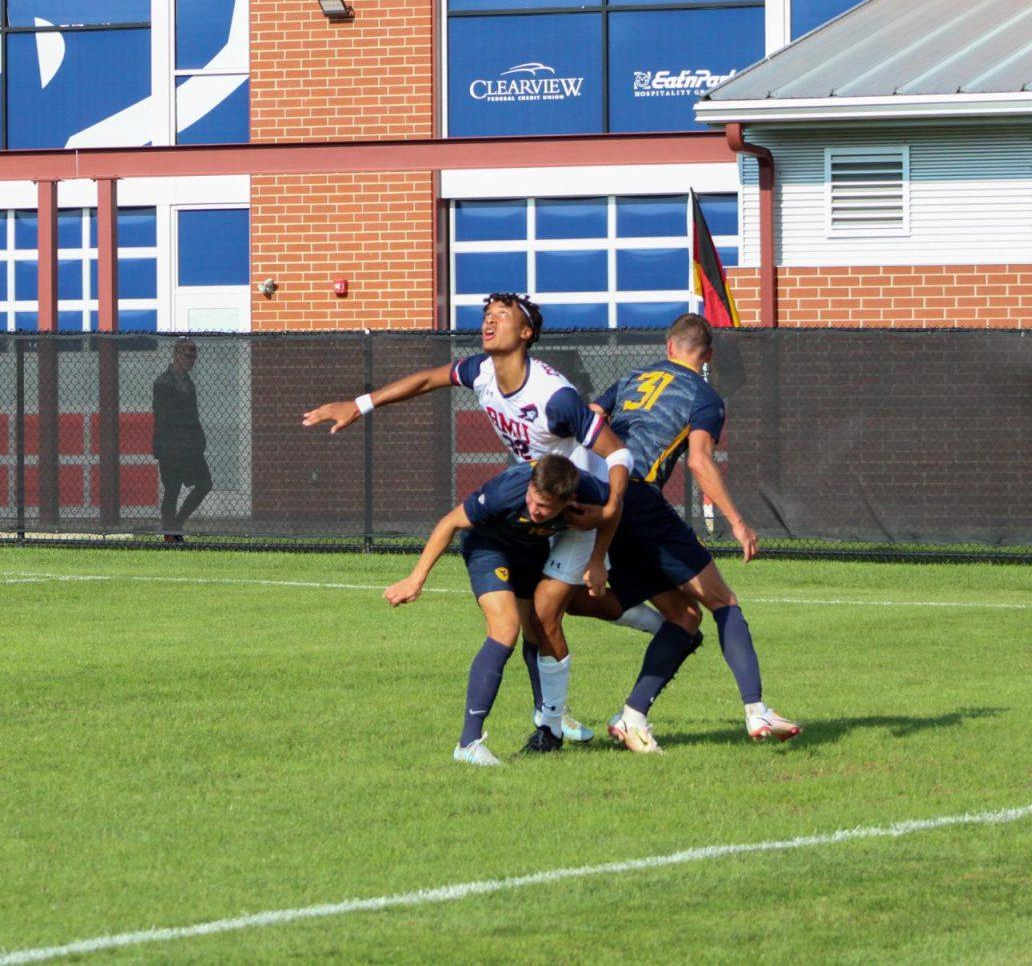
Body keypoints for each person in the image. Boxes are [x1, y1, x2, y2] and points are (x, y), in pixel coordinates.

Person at [302, 292, 656, 750]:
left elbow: (619, 453)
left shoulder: (556, 398)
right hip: (532, 499)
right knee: (536, 616)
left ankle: (570, 704)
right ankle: (553, 714)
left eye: (501, 317)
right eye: (486, 316)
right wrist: (360, 404)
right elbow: (429, 380)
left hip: (579, 507)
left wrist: (607, 516)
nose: (488, 322)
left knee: (547, 612)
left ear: (526, 333)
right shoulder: (482, 372)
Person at [592, 313, 801, 752]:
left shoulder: (632, 377)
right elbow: (700, 461)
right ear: (707, 356)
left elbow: (591, 417)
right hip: (639, 501)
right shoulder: (704, 396)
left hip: (602, 499)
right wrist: (738, 523)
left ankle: (631, 717)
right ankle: (756, 710)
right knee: (723, 600)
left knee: (685, 618)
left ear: (669, 347)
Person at [383, 455, 607, 766]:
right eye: (533, 499)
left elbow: (614, 510)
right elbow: (450, 522)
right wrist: (415, 579)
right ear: (529, 485)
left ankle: (547, 714)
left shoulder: (590, 490)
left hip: (530, 553)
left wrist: (598, 556)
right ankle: (468, 743)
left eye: (545, 507)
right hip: (489, 548)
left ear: (569, 499)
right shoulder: (507, 490)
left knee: (537, 628)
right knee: (506, 627)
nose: (535, 509)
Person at [152, 337, 212, 544]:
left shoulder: (188, 383)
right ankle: (171, 534)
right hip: (171, 447)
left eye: (194, 356)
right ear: (177, 356)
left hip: (190, 447)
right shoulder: (163, 383)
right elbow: (163, 418)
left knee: (204, 483)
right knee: (172, 490)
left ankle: (176, 523)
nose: (191, 360)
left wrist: (197, 438)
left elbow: (192, 415)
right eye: (188, 356)